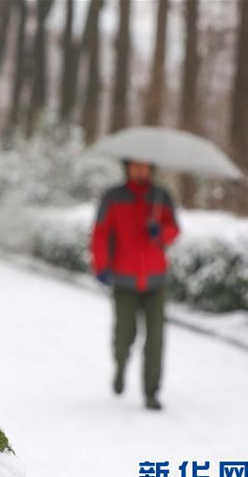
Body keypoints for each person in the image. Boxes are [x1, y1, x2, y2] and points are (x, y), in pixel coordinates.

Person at [90, 160, 180, 410]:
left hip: (155, 280)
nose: (141, 171)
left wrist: (160, 233)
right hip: (123, 279)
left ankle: (151, 392)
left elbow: (174, 230)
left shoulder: (162, 197)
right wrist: (101, 266)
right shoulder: (113, 197)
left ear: (152, 169)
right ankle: (120, 365)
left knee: (155, 339)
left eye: (145, 167)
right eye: (135, 167)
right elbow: (100, 232)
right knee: (124, 336)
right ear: (127, 168)